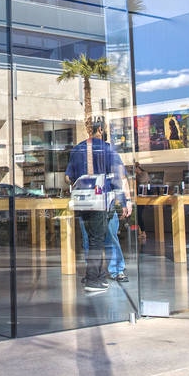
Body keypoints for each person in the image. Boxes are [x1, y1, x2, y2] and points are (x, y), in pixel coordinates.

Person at [65, 121, 132, 293]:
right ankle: (108, 273)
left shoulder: (77, 149)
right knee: (108, 238)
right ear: (100, 130)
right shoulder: (108, 149)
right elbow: (120, 177)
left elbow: (68, 178)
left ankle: (94, 275)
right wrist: (126, 201)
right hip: (104, 202)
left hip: (83, 203)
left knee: (90, 241)